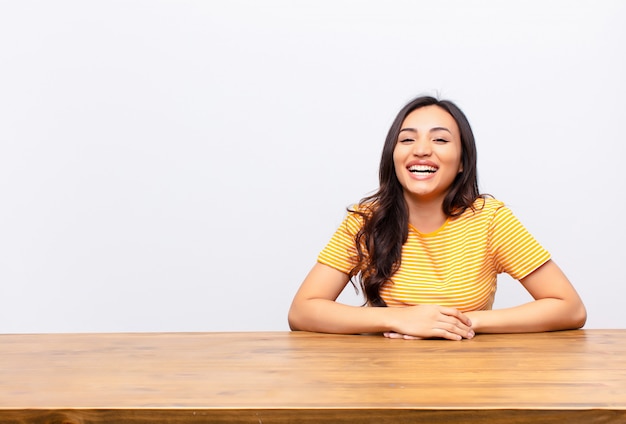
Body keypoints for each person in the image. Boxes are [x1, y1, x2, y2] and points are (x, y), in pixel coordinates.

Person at [288, 95, 586, 340]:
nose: (421, 150)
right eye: (407, 140)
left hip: (469, 383)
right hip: (383, 384)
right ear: (393, 156)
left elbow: (569, 308)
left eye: (440, 140)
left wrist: (457, 322)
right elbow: (302, 311)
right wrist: (400, 318)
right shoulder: (366, 219)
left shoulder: (490, 220)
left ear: (462, 162)